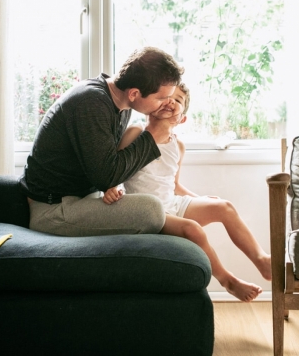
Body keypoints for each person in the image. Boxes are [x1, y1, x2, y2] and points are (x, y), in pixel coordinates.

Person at [104, 84, 271, 302]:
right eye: (166, 97)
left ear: (182, 118)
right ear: (151, 105)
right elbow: (117, 169)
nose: (171, 101)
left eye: (178, 100)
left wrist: (198, 199)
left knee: (224, 207)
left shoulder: (177, 146)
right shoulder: (136, 132)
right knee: (193, 230)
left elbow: (174, 185)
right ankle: (227, 280)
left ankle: (262, 260)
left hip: (171, 203)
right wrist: (113, 187)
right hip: (148, 211)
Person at [20, 47, 184, 237]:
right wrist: (153, 135)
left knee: (159, 208)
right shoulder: (91, 103)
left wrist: (112, 188)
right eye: (162, 98)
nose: (166, 103)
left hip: (84, 198)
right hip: (54, 208)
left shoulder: (121, 103)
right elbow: (107, 176)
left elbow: (107, 167)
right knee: (152, 210)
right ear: (134, 93)